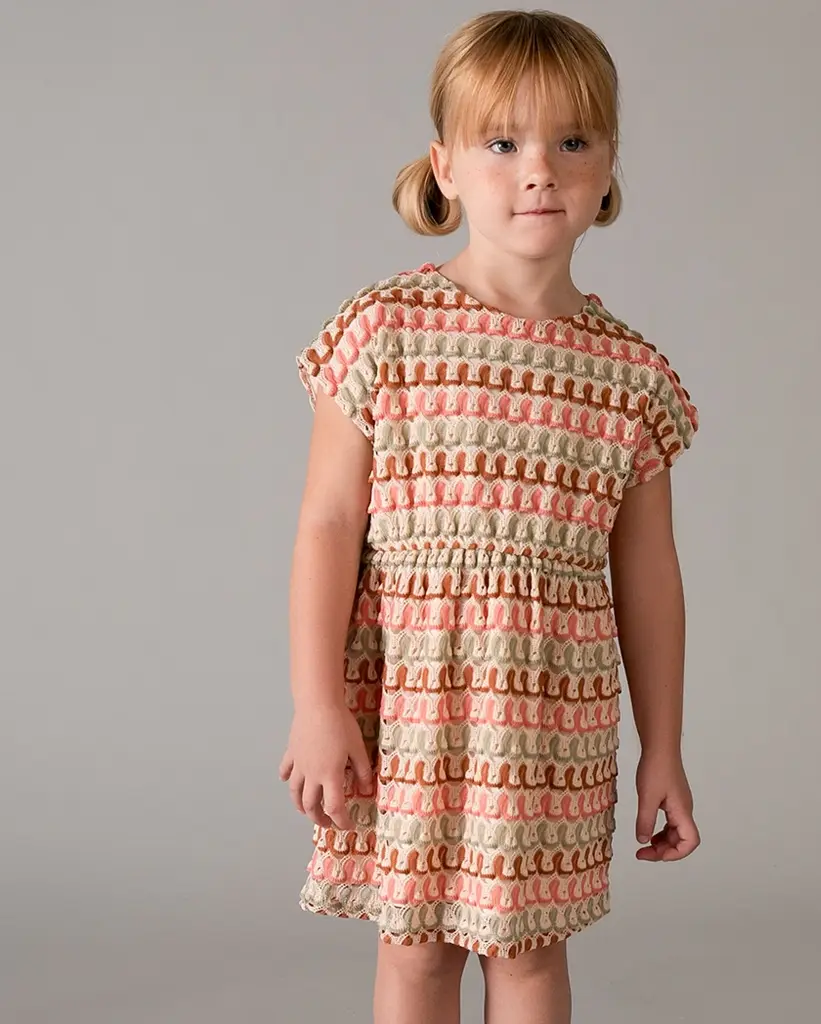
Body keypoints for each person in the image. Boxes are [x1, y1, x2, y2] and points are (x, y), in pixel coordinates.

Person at [278, 9, 701, 1023]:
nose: (539, 170)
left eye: (572, 141)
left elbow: (649, 578)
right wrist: (316, 702)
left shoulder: (631, 377)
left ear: (608, 166)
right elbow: (328, 526)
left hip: (551, 716)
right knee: (415, 950)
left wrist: (664, 746)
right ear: (446, 167)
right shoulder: (383, 332)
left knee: (529, 951)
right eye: (503, 143)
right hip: (409, 703)